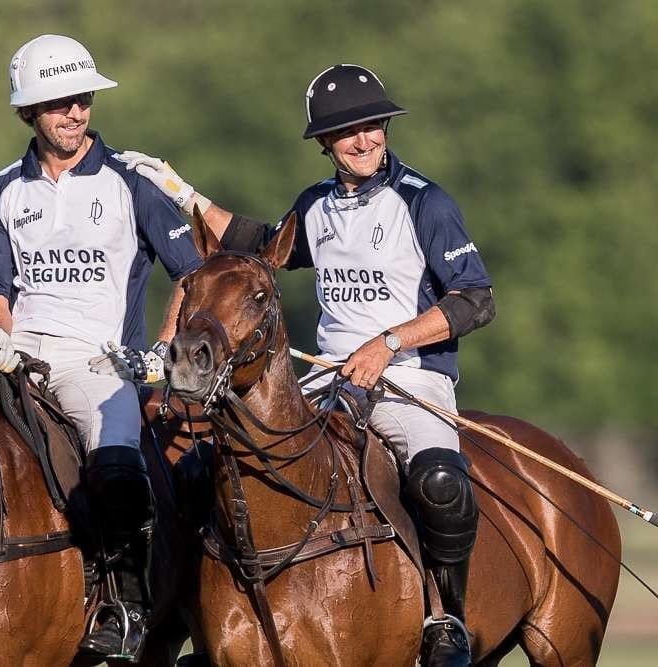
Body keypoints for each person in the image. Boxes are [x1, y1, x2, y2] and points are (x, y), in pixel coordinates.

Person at [118, 64, 494, 667]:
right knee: (196, 468)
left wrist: (388, 343)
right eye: (348, 133)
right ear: (326, 143)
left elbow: (476, 298)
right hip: (324, 378)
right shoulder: (314, 205)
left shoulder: (426, 203)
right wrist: (185, 196)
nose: (364, 140)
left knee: (440, 482)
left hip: (410, 377)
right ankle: (191, 613)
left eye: (373, 127)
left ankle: (444, 616)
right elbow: (258, 244)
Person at [0, 34, 202, 662]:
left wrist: (164, 349)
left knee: (117, 465)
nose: (75, 113)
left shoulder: (133, 180)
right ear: (29, 112)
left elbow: (192, 272)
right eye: (58, 104)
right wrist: (0, 333)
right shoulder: (2, 188)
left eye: (82, 99)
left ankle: (127, 605)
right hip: (17, 351)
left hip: (99, 360)